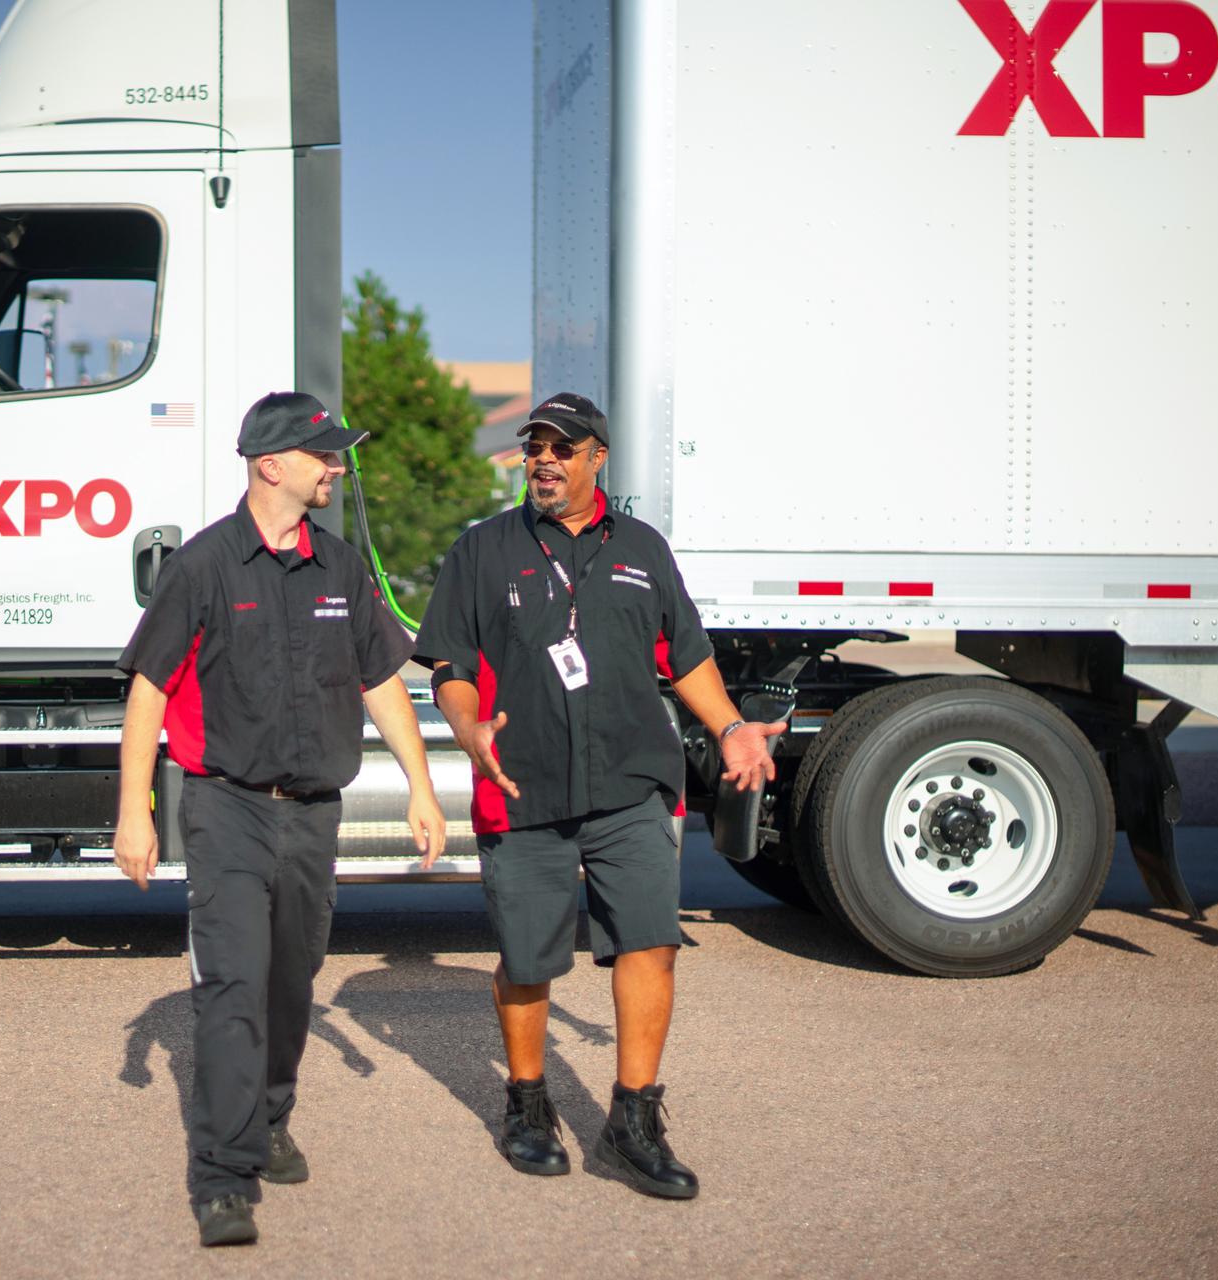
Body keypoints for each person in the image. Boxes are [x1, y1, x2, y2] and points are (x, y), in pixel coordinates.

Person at [413, 391, 783, 1200]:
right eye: (534, 445)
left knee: (649, 941)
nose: (544, 459)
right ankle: (528, 1103)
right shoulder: (483, 550)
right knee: (528, 956)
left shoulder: (643, 549)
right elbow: (450, 666)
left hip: (629, 783)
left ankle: (633, 1119)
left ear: (596, 459)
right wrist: (469, 729)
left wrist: (729, 730)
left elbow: (684, 656)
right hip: (523, 785)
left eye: (562, 447)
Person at [114, 390, 448, 1247]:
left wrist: (420, 785)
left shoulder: (340, 567)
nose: (337, 466)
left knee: (290, 983)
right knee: (232, 986)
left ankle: (267, 1116)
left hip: (313, 816)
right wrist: (134, 812)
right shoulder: (204, 565)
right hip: (226, 808)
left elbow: (380, 682)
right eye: (323, 455)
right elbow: (149, 688)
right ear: (271, 465)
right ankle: (222, 1175)